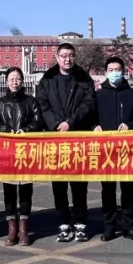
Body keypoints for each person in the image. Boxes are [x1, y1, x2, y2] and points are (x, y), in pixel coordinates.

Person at [35, 42, 97, 242]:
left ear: (75, 57)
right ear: (57, 57)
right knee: (59, 185)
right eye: (63, 56)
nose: (67, 59)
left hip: (78, 137)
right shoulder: (47, 79)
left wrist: (70, 122)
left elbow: (88, 104)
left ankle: (80, 223)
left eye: (71, 55)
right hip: (55, 138)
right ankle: (63, 223)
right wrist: (55, 124)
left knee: (79, 184)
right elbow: (42, 105)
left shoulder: (84, 79)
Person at [94, 57, 133, 242]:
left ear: (123, 71)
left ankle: (129, 227)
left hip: (128, 151)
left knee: (128, 190)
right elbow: (90, 118)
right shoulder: (98, 95)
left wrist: (130, 125)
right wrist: (94, 126)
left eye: (117, 69)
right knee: (107, 191)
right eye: (111, 69)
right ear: (105, 72)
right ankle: (109, 227)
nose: (114, 72)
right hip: (106, 151)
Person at [0, 67, 45, 246]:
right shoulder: (0, 103)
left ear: (23, 81)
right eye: (11, 79)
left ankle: (23, 230)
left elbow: (38, 121)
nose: (15, 82)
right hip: (7, 153)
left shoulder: (31, 102)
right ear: (6, 81)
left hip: (26, 153)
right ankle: (11, 229)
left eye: (18, 79)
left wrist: (26, 130)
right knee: (9, 192)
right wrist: (6, 130)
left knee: (25, 192)